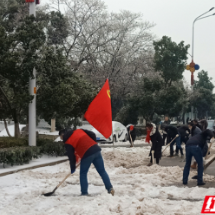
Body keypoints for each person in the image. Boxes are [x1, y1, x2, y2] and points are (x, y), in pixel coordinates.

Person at [59, 128, 114, 196]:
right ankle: (110, 188)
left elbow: (71, 156)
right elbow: (92, 134)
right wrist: (92, 144)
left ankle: (84, 193)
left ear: (63, 135)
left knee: (83, 173)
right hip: (96, 150)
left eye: (61, 138)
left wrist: (72, 167)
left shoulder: (68, 142)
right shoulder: (78, 130)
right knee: (102, 171)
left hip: (86, 153)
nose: (62, 139)